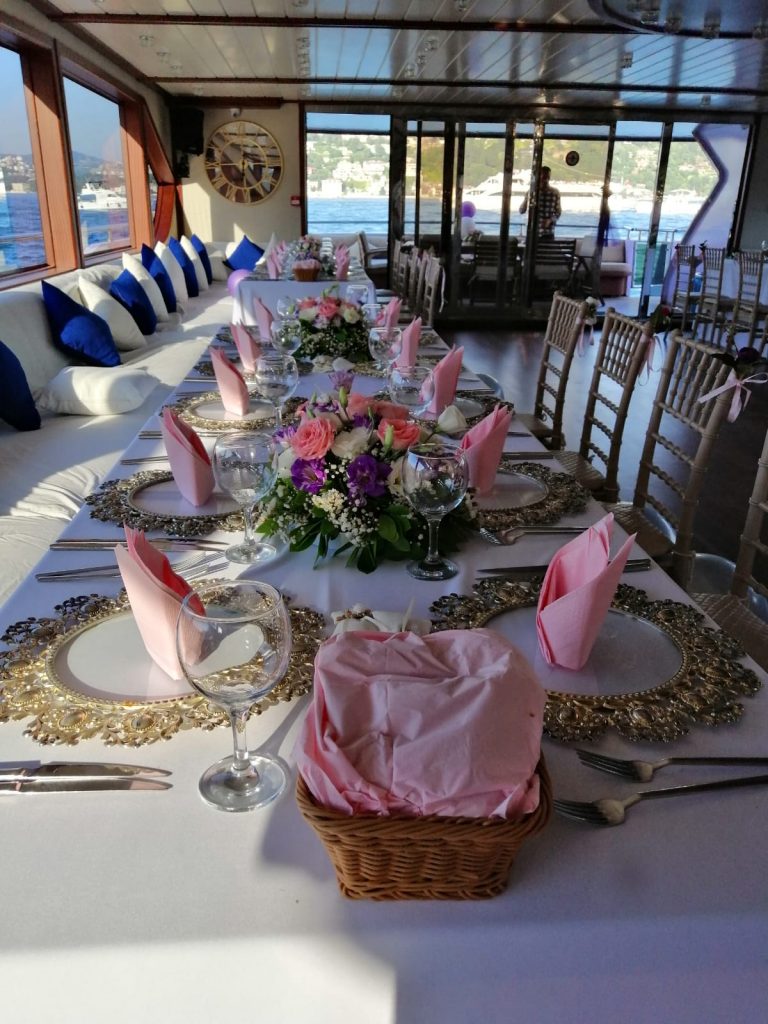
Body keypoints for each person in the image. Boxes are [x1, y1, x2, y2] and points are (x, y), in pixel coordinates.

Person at [519, 165, 561, 239]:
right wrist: (527, 199)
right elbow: (521, 210)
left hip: (547, 233)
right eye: (543, 177)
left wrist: (550, 220)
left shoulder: (555, 193)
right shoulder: (531, 192)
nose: (545, 179)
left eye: (547, 177)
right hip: (532, 232)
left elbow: (558, 212)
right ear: (538, 177)